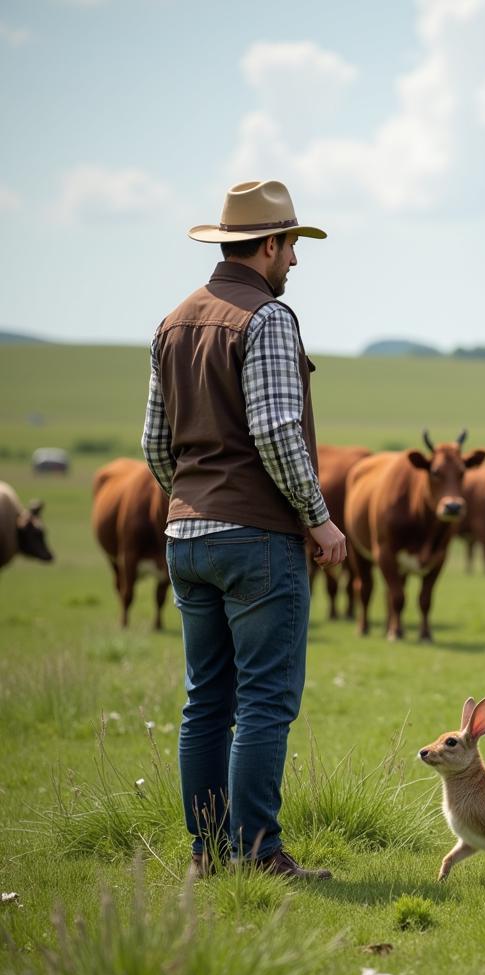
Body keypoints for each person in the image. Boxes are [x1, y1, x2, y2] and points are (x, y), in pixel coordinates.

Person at [142, 180, 346, 880]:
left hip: (185, 536)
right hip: (256, 537)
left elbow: (153, 445)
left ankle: (208, 856)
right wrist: (317, 521)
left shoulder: (172, 322)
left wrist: (192, 500)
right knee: (263, 699)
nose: (295, 260)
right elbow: (277, 430)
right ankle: (258, 853)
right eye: (291, 245)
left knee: (206, 700)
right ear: (268, 245)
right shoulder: (268, 318)